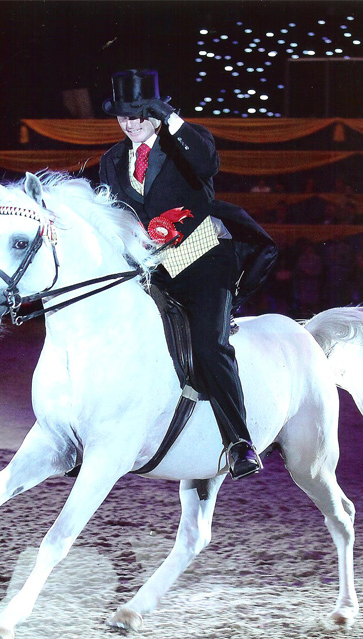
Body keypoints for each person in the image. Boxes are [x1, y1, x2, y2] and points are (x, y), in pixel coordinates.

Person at [99, 69, 278, 479]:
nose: (130, 124)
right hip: (153, 273)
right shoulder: (111, 161)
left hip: (203, 265)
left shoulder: (184, 144)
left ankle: (238, 441)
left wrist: (171, 118)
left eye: (140, 115)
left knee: (209, 345)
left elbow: (208, 163)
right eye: (124, 117)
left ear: (157, 113)